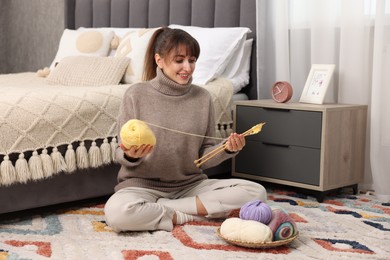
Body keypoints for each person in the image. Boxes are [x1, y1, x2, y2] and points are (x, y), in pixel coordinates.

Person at [104, 27, 267, 232]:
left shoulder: (203, 97)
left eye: (192, 60)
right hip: (142, 187)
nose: (187, 67)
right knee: (117, 213)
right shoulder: (135, 94)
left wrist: (226, 149)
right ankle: (190, 214)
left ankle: (166, 210)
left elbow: (204, 155)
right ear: (159, 60)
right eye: (179, 60)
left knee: (256, 192)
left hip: (190, 186)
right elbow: (120, 152)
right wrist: (131, 155)